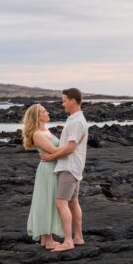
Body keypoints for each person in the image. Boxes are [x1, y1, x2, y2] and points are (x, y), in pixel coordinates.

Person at [39, 88, 88, 253]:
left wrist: (51, 157)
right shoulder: (75, 119)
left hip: (69, 166)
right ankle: (78, 237)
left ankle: (68, 241)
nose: (63, 104)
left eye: (64, 100)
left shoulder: (76, 121)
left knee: (61, 202)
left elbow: (70, 147)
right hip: (74, 166)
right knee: (73, 202)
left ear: (73, 100)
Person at [21, 103, 64, 249]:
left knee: (50, 201)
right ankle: (48, 239)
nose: (48, 113)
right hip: (47, 169)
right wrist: (72, 146)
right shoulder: (37, 134)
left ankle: (46, 239)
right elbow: (53, 150)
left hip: (52, 167)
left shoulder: (46, 130)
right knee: (47, 202)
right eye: (44, 111)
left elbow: (55, 151)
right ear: (38, 116)